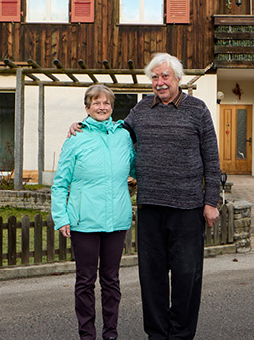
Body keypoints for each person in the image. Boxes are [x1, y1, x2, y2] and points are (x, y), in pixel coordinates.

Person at [69, 53, 220, 340]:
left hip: (187, 206)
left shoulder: (197, 110)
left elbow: (211, 158)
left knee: (187, 276)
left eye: (165, 76)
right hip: (150, 205)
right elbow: (113, 131)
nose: (160, 82)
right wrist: (82, 125)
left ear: (177, 78)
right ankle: (157, 334)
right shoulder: (140, 110)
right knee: (151, 278)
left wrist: (211, 201)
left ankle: (181, 334)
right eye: (155, 77)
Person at [52, 85, 136, 340]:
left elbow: (136, 168)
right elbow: (60, 183)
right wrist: (61, 217)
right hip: (83, 222)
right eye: (96, 103)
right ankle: (86, 335)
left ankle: (110, 334)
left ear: (112, 107)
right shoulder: (76, 138)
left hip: (116, 221)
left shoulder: (123, 136)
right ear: (87, 108)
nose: (102, 107)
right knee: (86, 281)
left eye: (106, 103)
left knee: (111, 281)